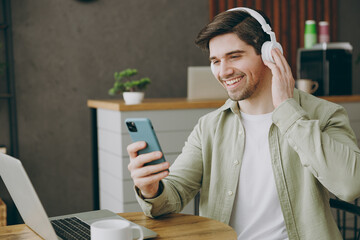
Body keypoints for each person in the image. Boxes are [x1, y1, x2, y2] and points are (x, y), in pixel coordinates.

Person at [127, 7, 360, 240]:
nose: (224, 71)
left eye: (235, 56)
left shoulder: (325, 114)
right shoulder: (209, 127)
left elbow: (350, 185)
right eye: (215, 61)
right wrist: (151, 189)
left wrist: (288, 111)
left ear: (270, 54)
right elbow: (173, 195)